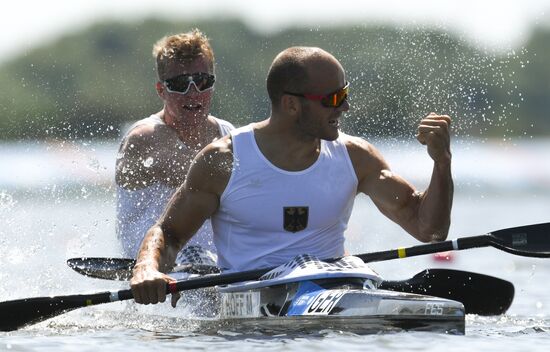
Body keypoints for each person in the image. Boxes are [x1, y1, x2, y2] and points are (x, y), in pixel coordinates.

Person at [130, 46, 453, 307]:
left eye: (345, 94)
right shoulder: (223, 161)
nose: (346, 107)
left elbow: (430, 229)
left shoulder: (356, 158)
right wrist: (147, 267)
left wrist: (441, 162)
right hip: (250, 297)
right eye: (334, 99)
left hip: (334, 284)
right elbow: (168, 234)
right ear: (291, 105)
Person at [115, 29, 234, 264]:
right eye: (180, 84)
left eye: (202, 82)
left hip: (209, 263)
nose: (193, 93)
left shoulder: (227, 131)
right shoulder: (145, 137)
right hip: (154, 262)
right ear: (161, 90)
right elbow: (203, 175)